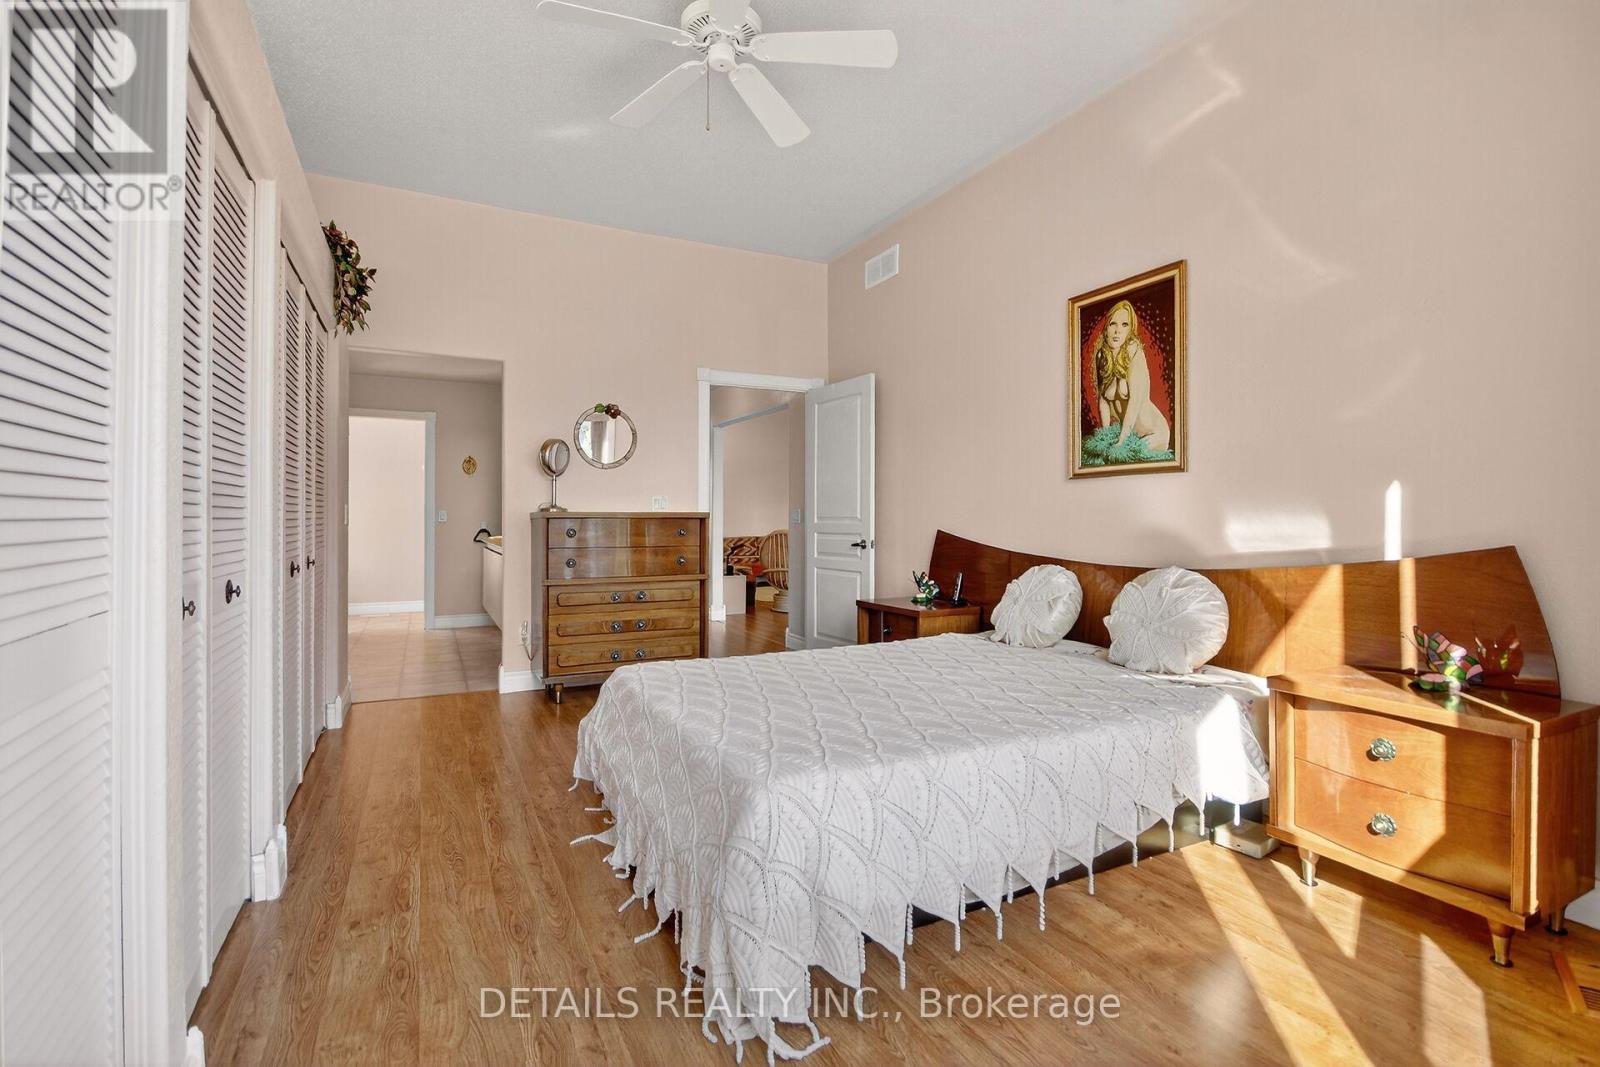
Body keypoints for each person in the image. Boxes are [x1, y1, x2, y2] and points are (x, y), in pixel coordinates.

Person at [1092, 299, 1170, 451]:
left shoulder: (1134, 351)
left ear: (1130, 330)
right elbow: (1103, 400)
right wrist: (1106, 436)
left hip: (1154, 433)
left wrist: (1121, 441)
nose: (1117, 330)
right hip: (1130, 434)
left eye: (1124, 325)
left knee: (1125, 457)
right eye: (1113, 323)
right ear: (1106, 327)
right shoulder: (1102, 355)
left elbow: (1135, 401)